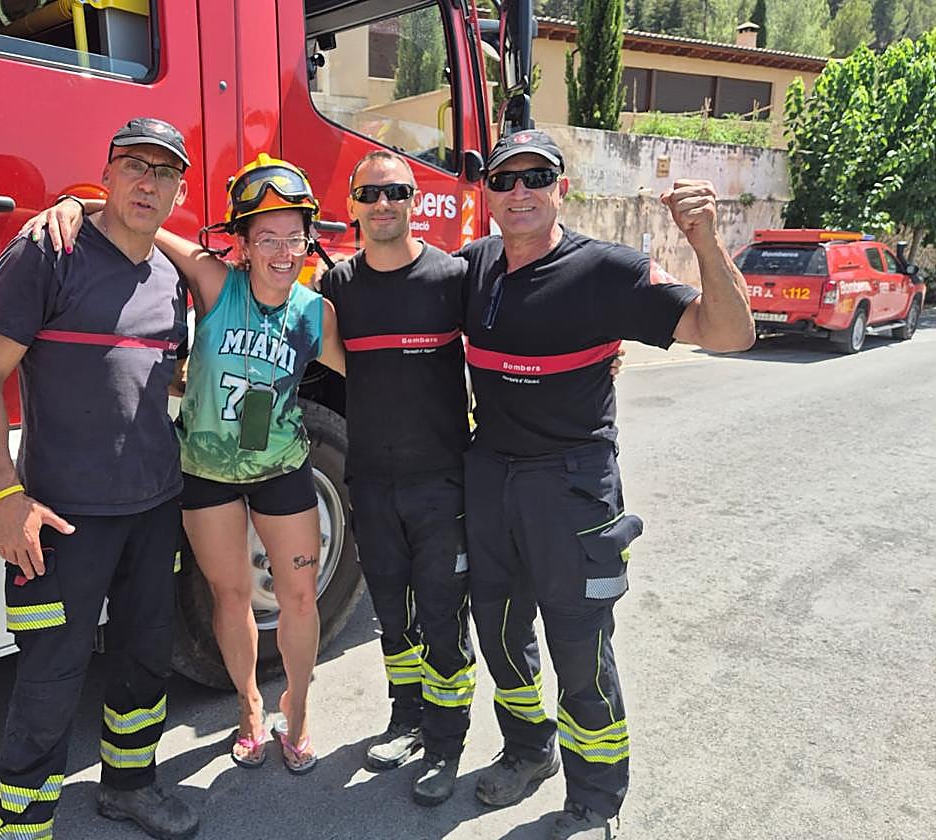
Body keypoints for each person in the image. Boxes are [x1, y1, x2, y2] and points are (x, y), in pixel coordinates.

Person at [459, 130, 753, 839]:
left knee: (580, 652)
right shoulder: (472, 268)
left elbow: (730, 332)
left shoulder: (608, 271)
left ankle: (593, 801)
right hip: (489, 476)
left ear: (563, 186)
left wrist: (706, 242)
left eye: (538, 176)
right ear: (487, 193)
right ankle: (528, 753)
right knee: (501, 636)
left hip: (571, 488)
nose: (520, 191)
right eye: (505, 179)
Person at [25, 154, 344, 774]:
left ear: (309, 242)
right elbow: (134, 218)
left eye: (294, 238)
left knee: (299, 597)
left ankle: (296, 711)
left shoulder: (316, 314)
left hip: (283, 470)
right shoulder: (215, 282)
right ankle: (249, 709)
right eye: (267, 239)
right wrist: (76, 205)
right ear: (243, 247)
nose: (283, 252)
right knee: (231, 596)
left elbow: (378, 380)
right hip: (205, 473)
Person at [0, 117, 199, 840]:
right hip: (62, 518)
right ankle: (24, 824)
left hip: (156, 508)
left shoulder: (168, 274)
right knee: (51, 676)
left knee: (144, 656)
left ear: (179, 188)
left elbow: (168, 379)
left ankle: (130, 785)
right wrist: (6, 497)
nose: (148, 182)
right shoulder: (48, 252)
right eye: (135, 165)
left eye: (165, 172)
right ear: (108, 170)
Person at [319, 150, 475, 806]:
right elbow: (335, 358)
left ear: (416, 201)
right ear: (352, 204)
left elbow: (510, 341)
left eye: (397, 192)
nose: (384, 205)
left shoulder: (452, 277)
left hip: (442, 481)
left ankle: (446, 740)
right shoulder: (338, 288)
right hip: (372, 481)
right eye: (371, 194)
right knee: (393, 615)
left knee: (444, 616)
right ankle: (406, 718)